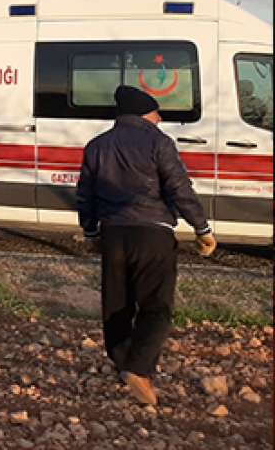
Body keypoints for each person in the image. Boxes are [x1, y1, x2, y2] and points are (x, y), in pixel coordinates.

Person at [76, 85, 216, 407]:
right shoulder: (159, 142)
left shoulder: (96, 146)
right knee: (156, 306)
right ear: (145, 114)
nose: (160, 118)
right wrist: (202, 228)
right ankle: (139, 370)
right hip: (153, 234)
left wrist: (91, 233)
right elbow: (179, 188)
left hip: (114, 235)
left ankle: (125, 364)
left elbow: (86, 195)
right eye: (157, 112)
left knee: (117, 304)